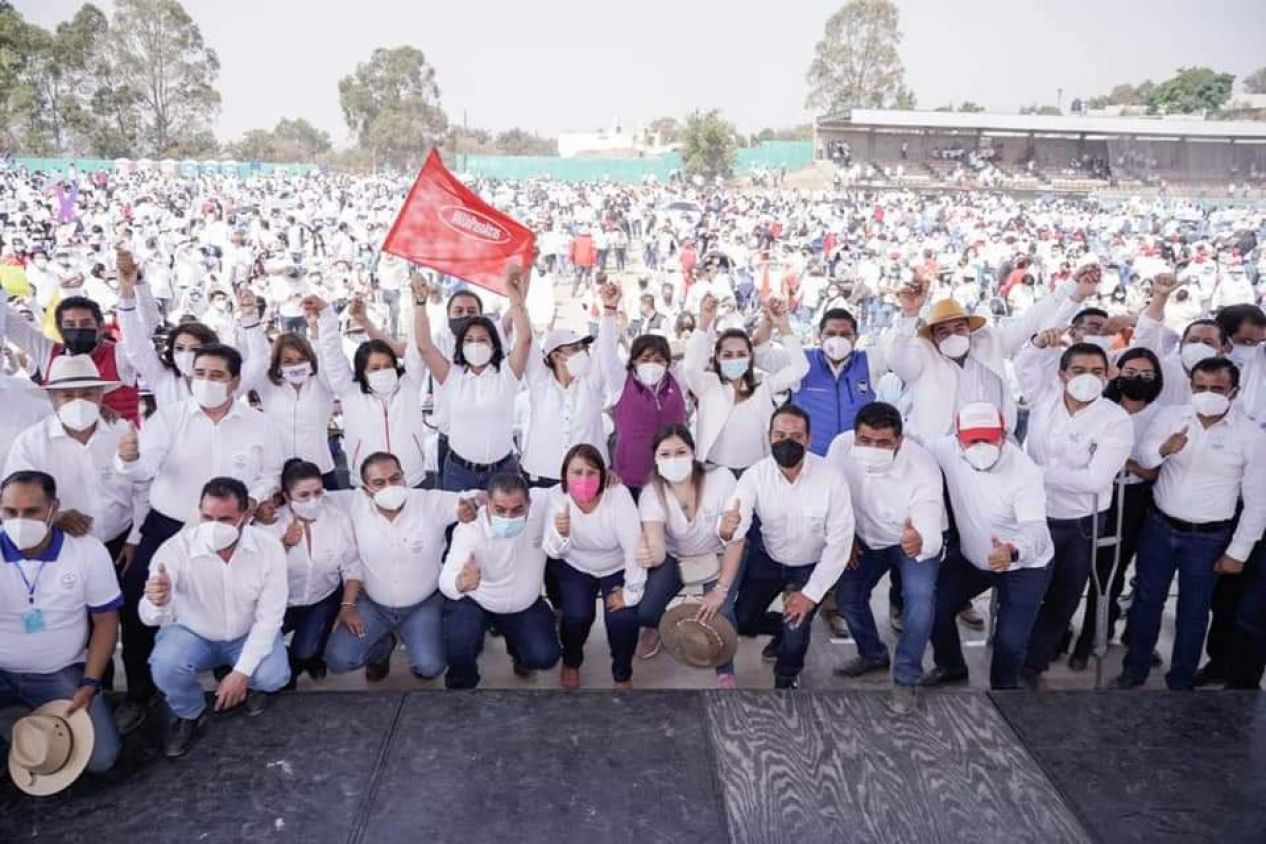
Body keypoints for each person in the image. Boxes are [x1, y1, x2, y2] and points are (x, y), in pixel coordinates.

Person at [112, 342, 285, 734]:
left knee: (234, 597)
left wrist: (253, 503)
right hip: (171, 526)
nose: (206, 382)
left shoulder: (259, 424)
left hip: (234, 528)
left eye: (217, 375)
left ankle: (239, 672)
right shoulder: (169, 419)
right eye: (200, 374)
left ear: (235, 381)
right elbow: (142, 471)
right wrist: (127, 458)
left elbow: (271, 474)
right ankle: (143, 693)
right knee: (142, 604)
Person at [1114, 358, 1266, 690]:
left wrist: (1237, 553)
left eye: (1217, 389)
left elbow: (1257, 503)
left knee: (1193, 612)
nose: (1207, 394)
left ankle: (1181, 680)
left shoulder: (1251, 436)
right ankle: (1134, 670)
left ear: (1235, 391)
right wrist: (1164, 449)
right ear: (1190, 386)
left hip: (1209, 538)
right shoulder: (1171, 417)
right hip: (1160, 527)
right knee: (1146, 601)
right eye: (1200, 387)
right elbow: (1143, 458)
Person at [141, 477, 290, 758]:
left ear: (246, 516)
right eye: (207, 517)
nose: (213, 527)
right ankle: (190, 714)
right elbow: (149, 618)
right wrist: (155, 601)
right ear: (198, 512)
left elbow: (269, 618)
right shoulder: (173, 550)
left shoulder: (269, 549)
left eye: (224, 519)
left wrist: (242, 673)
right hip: (193, 633)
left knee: (273, 676)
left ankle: (245, 680)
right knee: (166, 667)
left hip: (246, 632)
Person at [1014, 338, 1133, 684]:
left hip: (1080, 522)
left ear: (1108, 376)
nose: (1088, 378)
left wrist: (1033, 471)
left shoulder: (1115, 419)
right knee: (1025, 590)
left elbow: (1096, 479)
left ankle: (1032, 666)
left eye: (1097, 371)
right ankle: (1014, 651)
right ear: (1062, 374)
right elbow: (1024, 364)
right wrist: (1037, 342)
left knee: (1062, 596)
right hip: (1033, 512)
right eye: (1079, 370)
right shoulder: (1045, 398)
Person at [923, 403, 1054, 690]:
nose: (981, 446)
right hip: (975, 558)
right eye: (973, 440)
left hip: (1024, 564)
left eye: (989, 438)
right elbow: (910, 448)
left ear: (1003, 437)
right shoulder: (943, 450)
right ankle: (951, 666)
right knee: (931, 607)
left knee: (1009, 641)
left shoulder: (1025, 472)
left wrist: (1012, 550)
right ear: (958, 439)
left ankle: (1003, 693)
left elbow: (1036, 528)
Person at [0, 470, 122, 775]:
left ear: (54, 509)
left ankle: (19, 723)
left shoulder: (87, 551)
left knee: (101, 758)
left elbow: (106, 620)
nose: (19, 520)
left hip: (59, 672)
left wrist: (90, 682)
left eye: (31, 512)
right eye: (9, 512)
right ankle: (21, 725)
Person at [886, 267, 1098, 442]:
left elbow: (1031, 319)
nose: (953, 336)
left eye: (959, 328)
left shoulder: (989, 345)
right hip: (940, 450)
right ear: (933, 337)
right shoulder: (922, 356)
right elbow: (897, 359)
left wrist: (1072, 290)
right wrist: (909, 313)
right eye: (944, 332)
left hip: (994, 445)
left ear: (970, 330)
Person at [825, 402, 944, 714]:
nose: (872, 449)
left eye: (883, 443)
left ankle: (906, 679)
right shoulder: (839, 448)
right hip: (864, 538)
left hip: (911, 541)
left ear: (900, 442)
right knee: (849, 597)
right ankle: (872, 654)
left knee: (920, 601)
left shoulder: (923, 467)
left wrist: (919, 541)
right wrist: (845, 538)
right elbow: (831, 497)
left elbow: (930, 522)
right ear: (854, 436)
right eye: (864, 441)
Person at [724, 405, 854, 689]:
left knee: (796, 626)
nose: (787, 443)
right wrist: (726, 528)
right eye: (780, 435)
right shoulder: (755, 476)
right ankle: (781, 629)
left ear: (809, 439)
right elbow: (735, 520)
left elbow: (840, 543)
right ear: (768, 437)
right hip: (768, 559)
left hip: (810, 565)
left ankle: (786, 677)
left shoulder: (832, 478)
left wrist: (810, 594)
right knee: (744, 621)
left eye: (796, 436)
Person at [323, 452, 478, 681]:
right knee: (338, 659)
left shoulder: (429, 502)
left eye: (395, 479)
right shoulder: (353, 503)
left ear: (404, 478)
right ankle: (380, 650)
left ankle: (418, 642)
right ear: (365, 489)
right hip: (373, 605)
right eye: (379, 483)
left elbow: (475, 497)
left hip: (423, 604)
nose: (389, 487)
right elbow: (316, 498)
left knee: (430, 666)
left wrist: (472, 506)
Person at [1069, 347, 1165, 669]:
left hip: (1135, 500)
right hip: (1094, 495)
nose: (1137, 379)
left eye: (1146, 374)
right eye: (1130, 372)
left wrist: (1128, 462)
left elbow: (1153, 467)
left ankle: (1096, 635)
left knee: (1114, 569)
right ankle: (1063, 634)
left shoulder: (1161, 414)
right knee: (1080, 567)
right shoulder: (1101, 407)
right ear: (1116, 373)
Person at [5, 356, 148, 565]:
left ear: (100, 396)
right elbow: (13, 500)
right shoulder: (30, 444)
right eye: (67, 395)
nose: (78, 403)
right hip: (61, 546)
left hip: (120, 542)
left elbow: (143, 488)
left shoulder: (123, 433)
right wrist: (55, 516)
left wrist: (134, 539)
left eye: (87, 394)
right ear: (53, 400)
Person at [634, 425, 744, 687]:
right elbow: (658, 549)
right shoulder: (651, 493)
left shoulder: (722, 479)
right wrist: (648, 554)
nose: (673, 459)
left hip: (720, 552)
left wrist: (720, 589)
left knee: (722, 611)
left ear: (694, 453)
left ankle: (724, 668)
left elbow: (736, 540)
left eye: (681, 452)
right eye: (665, 454)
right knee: (646, 609)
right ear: (656, 459)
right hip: (677, 556)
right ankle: (654, 628)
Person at [439, 473, 561, 689]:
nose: (508, 517)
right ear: (487, 505)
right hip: (478, 601)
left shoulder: (542, 504)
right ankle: (462, 683)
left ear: (529, 504)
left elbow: (571, 484)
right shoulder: (470, 528)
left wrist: (605, 473)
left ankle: (520, 656)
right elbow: (446, 579)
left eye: (517, 510)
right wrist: (461, 583)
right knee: (460, 641)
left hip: (523, 604)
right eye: (500, 510)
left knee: (545, 656)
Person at [414, 267, 531, 491]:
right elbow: (424, 347)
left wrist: (513, 291)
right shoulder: (453, 376)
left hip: (503, 471)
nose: (475, 344)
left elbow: (524, 338)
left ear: (494, 344)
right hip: (459, 473)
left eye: (482, 339)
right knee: (458, 526)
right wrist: (420, 305)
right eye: (469, 340)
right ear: (460, 346)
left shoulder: (507, 374)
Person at [542, 444, 644, 689]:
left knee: (622, 619)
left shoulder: (618, 495)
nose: (584, 479)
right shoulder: (556, 497)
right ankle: (572, 660)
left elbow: (634, 547)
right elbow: (552, 550)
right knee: (577, 616)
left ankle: (622, 673)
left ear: (603, 474)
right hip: (575, 564)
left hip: (616, 565)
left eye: (591, 472)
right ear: (565, 474)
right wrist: (561, 533)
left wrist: (631, 593)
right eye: (577, 472)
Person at [307, 289, 432, 488]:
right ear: (362, 371)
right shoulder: (349, 391)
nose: (382, 371)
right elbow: (332, 355)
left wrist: (418, 305)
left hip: (410, 477)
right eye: (374, 368)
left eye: (387, 365)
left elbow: (417, 345)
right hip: (366, 482)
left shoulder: (409, 384)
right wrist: (327, 315)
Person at [684, 295, 809, 473]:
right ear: (717, 358)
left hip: (757, 470)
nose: (734, 359)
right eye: (727, 355)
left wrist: (783, 326)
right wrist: (704, 322)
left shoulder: (763, 385)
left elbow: (800, 368)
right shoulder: (707, 385)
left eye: (741, 354)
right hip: (713, 469)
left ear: (751, 357)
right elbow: (690, 366)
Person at [264, 459, 361, 685]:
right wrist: (284, 546)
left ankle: (308, 657)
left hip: (321, 598)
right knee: (264, 648)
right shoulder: (270, 524)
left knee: (306, 652)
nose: (313, 500)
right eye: (304, 495)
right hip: (279, 603)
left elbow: (352, 567)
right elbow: (257, 572)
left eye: (318, 492)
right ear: (287, 497)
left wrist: (347, 607)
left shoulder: (338, 520)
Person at [1, 288, 140, 424]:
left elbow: (145, 330)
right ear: (60, 329)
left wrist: (134, 290)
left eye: (86, 323)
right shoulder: (47, 352)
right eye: (70, 324)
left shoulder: (120, 355)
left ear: (101, 326)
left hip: (122, 443)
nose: (78, 329)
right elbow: (9, 323)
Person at [240, 327, 339, 488]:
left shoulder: (322, 382)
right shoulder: (267, 384)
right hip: (279, 473)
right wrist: (250, 320)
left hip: (321, 470)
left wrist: (316, 331)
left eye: (301, 359)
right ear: (277, 363)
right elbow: (256, 355)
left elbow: (329, 359)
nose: (296, 365)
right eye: (288, 361)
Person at [519, 316, 613, 487]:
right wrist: (519, 301)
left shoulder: (591, 381)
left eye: (585, 347)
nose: (583, 352)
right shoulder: (540, 381)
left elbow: (605, 347)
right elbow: (527, 339)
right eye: (576, 348)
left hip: (587, 476)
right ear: (556, 356)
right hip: (541, 476)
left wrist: (609, 311)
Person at [599, 322, 688, 495]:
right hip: (631, 475)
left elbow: (696, 361)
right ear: (634, 361)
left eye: (658, 360)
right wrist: (609, 312)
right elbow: (607, 354)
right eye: (645, 360)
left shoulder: (677, 381)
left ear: (668, 363)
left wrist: (706, 322)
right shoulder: (621, 383)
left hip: (672, 472)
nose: (652, 365)